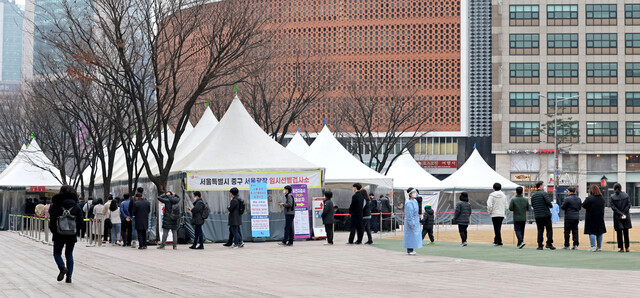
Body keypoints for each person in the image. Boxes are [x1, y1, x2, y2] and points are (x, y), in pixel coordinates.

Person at [48, 185, 84, 284]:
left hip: (58, 233)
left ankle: (62, 267)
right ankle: (69, 277)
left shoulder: (55, 205)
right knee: (69, 255)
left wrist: (54, 231)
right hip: (71, 233)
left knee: (57, 253)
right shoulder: (76, 206)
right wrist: (76, 230)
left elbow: (52, 221)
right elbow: (81, 220)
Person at [530, 181, 555, 250]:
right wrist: (550, 206)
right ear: (540, 186)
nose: (544, 186)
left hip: (538, 215)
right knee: (549, 229)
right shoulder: (544, 193)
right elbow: (549, 203)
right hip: (545, 214)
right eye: (543, 185)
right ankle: (549, 243)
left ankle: (540, 245)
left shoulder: (533, 195)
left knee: (540, 230)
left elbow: (532, 205)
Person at [582, 185, 607, 252]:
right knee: (599, 232)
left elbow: (583, 205)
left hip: (591, 217)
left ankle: (593, 246)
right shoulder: (602, 198)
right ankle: (599, 247)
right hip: (600, 217)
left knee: (591, 232)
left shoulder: (589, 198)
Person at [611, 183, 632, 252]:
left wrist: (620, 213)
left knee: (619, 232)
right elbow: (629, 205)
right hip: (625, 215)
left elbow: (613, 207)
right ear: (621, 188)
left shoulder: (613, 197)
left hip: (617, 216)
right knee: (626, 232)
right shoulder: (626, 195)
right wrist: (624, 213)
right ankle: (627, 247)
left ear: (614, 189)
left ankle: (621, 248)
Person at [403, 188, 422, 255]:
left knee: (414, 236)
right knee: (410, 235)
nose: (415, 193)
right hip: (410, 221)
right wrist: (411, 223)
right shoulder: (408, 202)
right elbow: (409, 214)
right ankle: (409, 249)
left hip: (416, 220)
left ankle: (412, 248)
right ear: (410, 194)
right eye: (413, 192)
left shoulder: (415, 201)